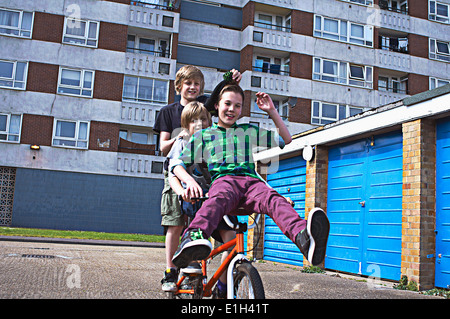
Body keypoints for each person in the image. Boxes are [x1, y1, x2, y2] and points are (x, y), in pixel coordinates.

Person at [170, 83, 330, 269]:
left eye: (237, 106)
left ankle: (304, 238)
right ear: (217, 106)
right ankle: (193, 236)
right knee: (218, 198)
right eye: (227, 104)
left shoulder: (248, 131)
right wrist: (188, 181)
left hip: (251, 183)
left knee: (274, 199)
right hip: (225, 181)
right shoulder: (204, 135)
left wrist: (271, 110)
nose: (231, 109)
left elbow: (286, 139)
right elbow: (177, 165)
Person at [154, 65, 241, 292]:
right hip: (177, 172)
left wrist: (231, 81)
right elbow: (165, 151)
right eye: (188, 83)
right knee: (175, 221)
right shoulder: (168, 112)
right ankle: (170, 271)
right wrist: (179, 137)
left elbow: (223, 98)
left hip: (205, 178)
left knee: (224, 221)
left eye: (197, 84)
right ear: (179, 86)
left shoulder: (204, 107)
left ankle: (222, 283)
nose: (193, 87)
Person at [167, 101, 236, 298]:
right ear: (185, 124)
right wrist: (182, 191)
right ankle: (190, 263)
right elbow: (173, 172)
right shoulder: (182, 143)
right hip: (195, 200)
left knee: (230, 239)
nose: (199, 124)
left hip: (218, 200)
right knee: (196, 237)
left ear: (210, 121)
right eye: (193, 121)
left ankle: (221, 288)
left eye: (203, 119)